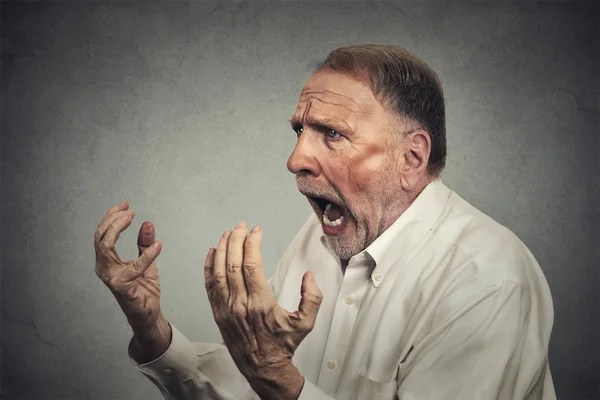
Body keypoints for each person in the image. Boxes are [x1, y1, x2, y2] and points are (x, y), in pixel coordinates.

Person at [94, 44, 556, 399]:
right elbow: (255, 387)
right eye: (300, 130)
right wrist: (154, 332)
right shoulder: (321, 240)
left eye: (332, 133)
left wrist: (276, 378)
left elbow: (272, 380)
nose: (295, 159)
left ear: (412, 157)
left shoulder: (487, 281)